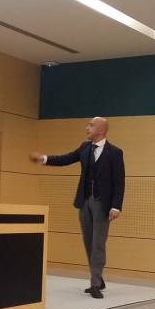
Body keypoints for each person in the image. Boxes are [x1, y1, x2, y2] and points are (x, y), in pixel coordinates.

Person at [30, 117, 125, 299]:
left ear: (101, 130)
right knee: (88, 241)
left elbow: (119, 181)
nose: (87, 128)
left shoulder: (115, 152)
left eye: (91, 125)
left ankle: (95, 284)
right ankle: (98, 277)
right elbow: (65, 159)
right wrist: (44, 159)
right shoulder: (84, 147)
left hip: (103, 204)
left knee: (98, 243)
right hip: (84, 201)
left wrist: (116, 206)